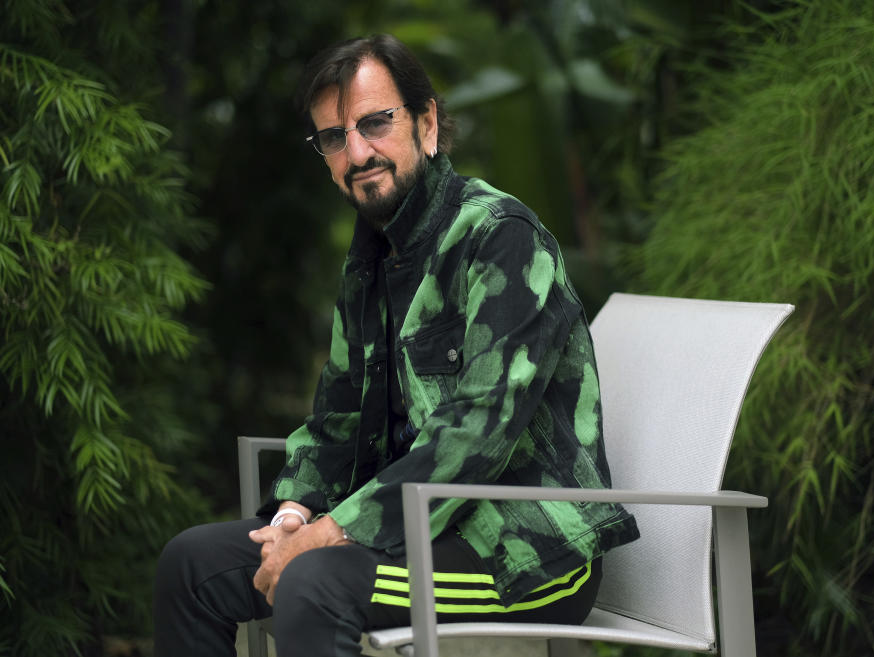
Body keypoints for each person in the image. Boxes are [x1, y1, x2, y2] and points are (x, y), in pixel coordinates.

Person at [154, 33, 638, 657]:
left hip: (523, 548)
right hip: (403, 530)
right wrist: (293, 519)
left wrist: (332, 533)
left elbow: (477, 433)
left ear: (426, 122)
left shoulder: (502, 240)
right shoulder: (370, 262)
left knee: (314, 582)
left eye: (375, 123)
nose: (357, 151)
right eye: (334, 137)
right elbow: (336, 422)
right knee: (190, 566)